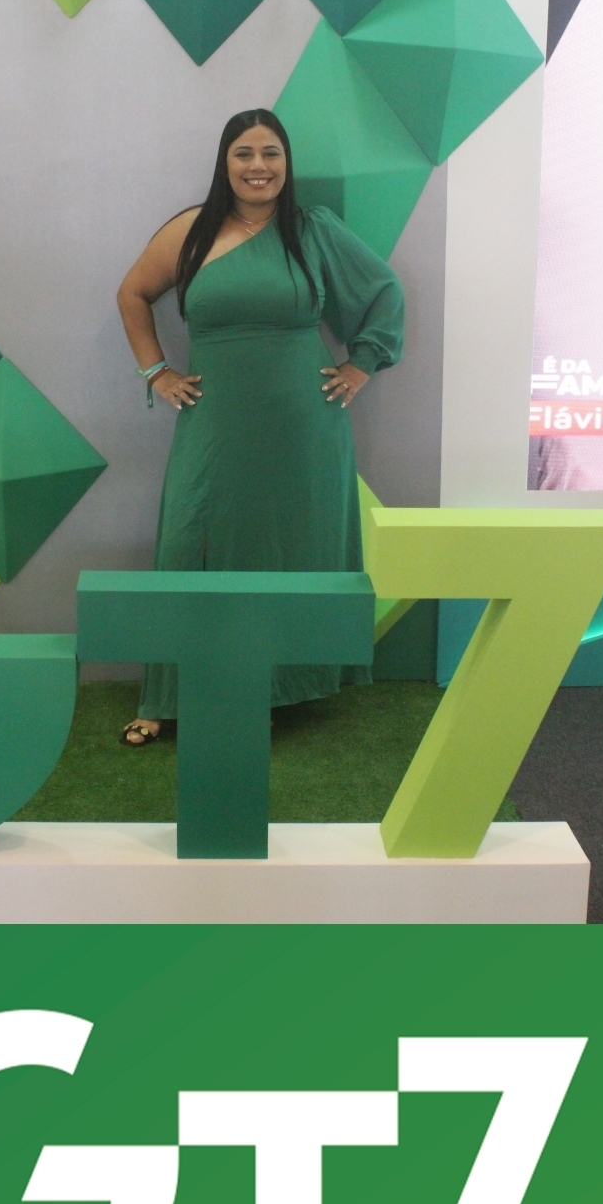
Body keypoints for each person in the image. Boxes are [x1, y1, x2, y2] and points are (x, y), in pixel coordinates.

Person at [115, 107, 405, 744]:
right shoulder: (190, 231)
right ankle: (167, 698)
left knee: (289, 549)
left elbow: (385, 292)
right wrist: (157, 371)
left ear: (286, 162)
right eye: (244, 153)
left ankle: (269, 689)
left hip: (304, 425)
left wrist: (361, 364)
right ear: (225, 162)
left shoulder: (313, 230)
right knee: (190, 544)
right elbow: (132, 294)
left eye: (271, 153)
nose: (258, 166)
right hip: (215, 423)